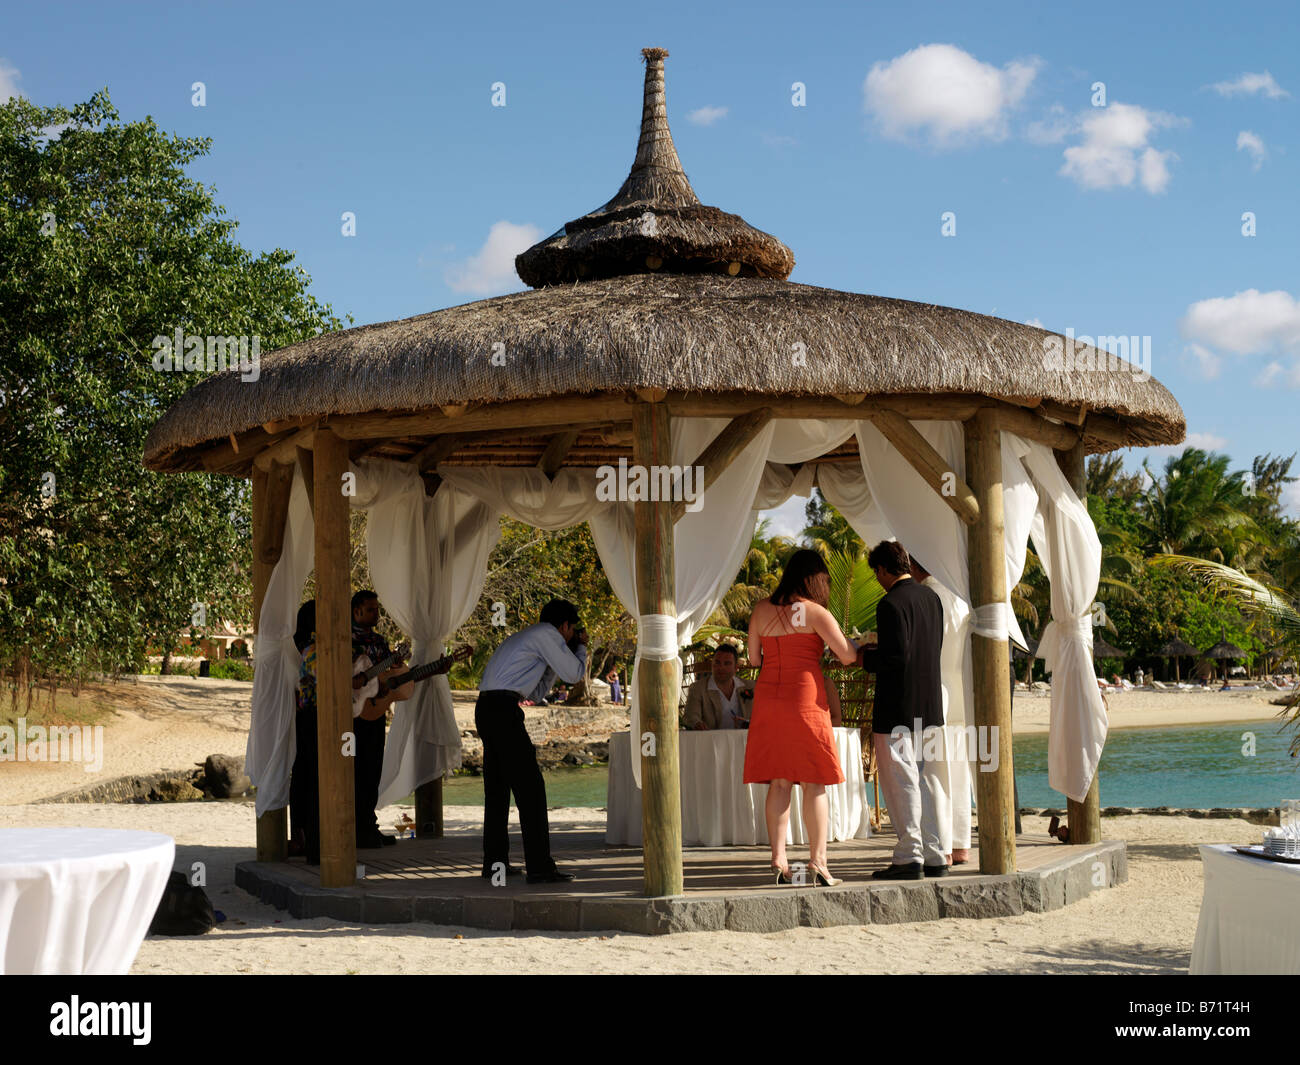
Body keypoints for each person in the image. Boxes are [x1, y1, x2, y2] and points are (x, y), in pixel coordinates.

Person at [743, 549, 859, 887]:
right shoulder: (815, 612)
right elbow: (848, 655)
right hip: (805, 697)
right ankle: (818, 863)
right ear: (815, 579)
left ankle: (779, 859)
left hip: (769, 697)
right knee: (814, 780)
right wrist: (856, 640)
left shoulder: (761, 610)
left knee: (779, 782)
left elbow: (753, 659)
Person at [476, 599, 587, 883]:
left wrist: (554, 663)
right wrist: (580, 647)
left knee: (498, 789)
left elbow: (535, 694)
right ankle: (540, 867)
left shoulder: (531, 637)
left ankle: (495, 863)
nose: (573, 633)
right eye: (572, 629)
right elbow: (574, 674)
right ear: (564, 626)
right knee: (531, 788)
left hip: (489, 707)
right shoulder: (547, 635)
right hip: (502, 709)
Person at [859, 540, 946, 880]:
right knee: (926, 781)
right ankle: (935, 853)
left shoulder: (890, 603)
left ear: (882, 570)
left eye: (876, 573)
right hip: (929, 705)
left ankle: (910, 856)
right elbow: (923, 649)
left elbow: (897, 658)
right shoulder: (931, 599)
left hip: (898, 708)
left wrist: (864, 655)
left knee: (902, 782)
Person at [909, 556, 972, 866]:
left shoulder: (926, 598)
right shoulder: (961, 598)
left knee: (934, 773)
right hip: (961, 691)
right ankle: (960, 843)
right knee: (958, 770)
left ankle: (942, 847)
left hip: (935, 691)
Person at [351, 590, 402, 849]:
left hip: (376, 712)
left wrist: (394, 667)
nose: (376, 614)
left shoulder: (380, 642)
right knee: (354, 771)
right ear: (356, 610)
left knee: (372, 771)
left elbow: (384, 676)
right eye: (371, 609)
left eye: (377, 609)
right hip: (353, 715)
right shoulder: (345, 640)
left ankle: (369, 826)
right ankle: (354, 828)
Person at [684, 644, 754, 730]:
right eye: (717, 662)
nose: (721, 667)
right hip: (712, 741)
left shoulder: (750, 687)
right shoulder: (698, 689)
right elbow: (690, 715)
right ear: (712, 664)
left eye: (727, 663)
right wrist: (697, 723)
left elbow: (763, 715)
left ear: (736, 668)